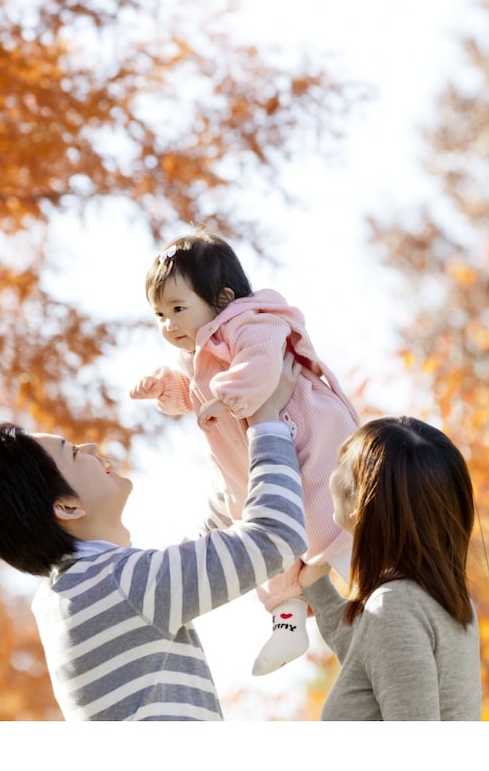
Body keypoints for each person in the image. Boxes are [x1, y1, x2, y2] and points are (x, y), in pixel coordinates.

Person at [0, 356, 307, 721]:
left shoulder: (71, 593)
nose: (90, 448)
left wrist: (231, 450)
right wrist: (266, 419)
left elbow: (200, 548)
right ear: (68, 507)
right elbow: (276, 535)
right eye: (73, 453)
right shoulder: (121, 584)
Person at [129, 229, 360, 675]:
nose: (169, 325)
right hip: (254, 460)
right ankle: (288, 625)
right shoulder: (193, 355)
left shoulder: (250, 321)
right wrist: (164, 388)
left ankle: (367, 579)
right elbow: (191, 394)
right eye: (159, 314)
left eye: (178, 309)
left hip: (308, 435)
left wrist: (227, 395)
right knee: (268, 545)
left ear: (223, 298)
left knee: (325, 518)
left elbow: (261, 364)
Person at [298, 416, 483, 720]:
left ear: (360, 500)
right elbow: (376, 659)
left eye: (342, 463)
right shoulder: (440, 600)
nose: (331, 473)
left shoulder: (394, 606)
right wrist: (316, 585)